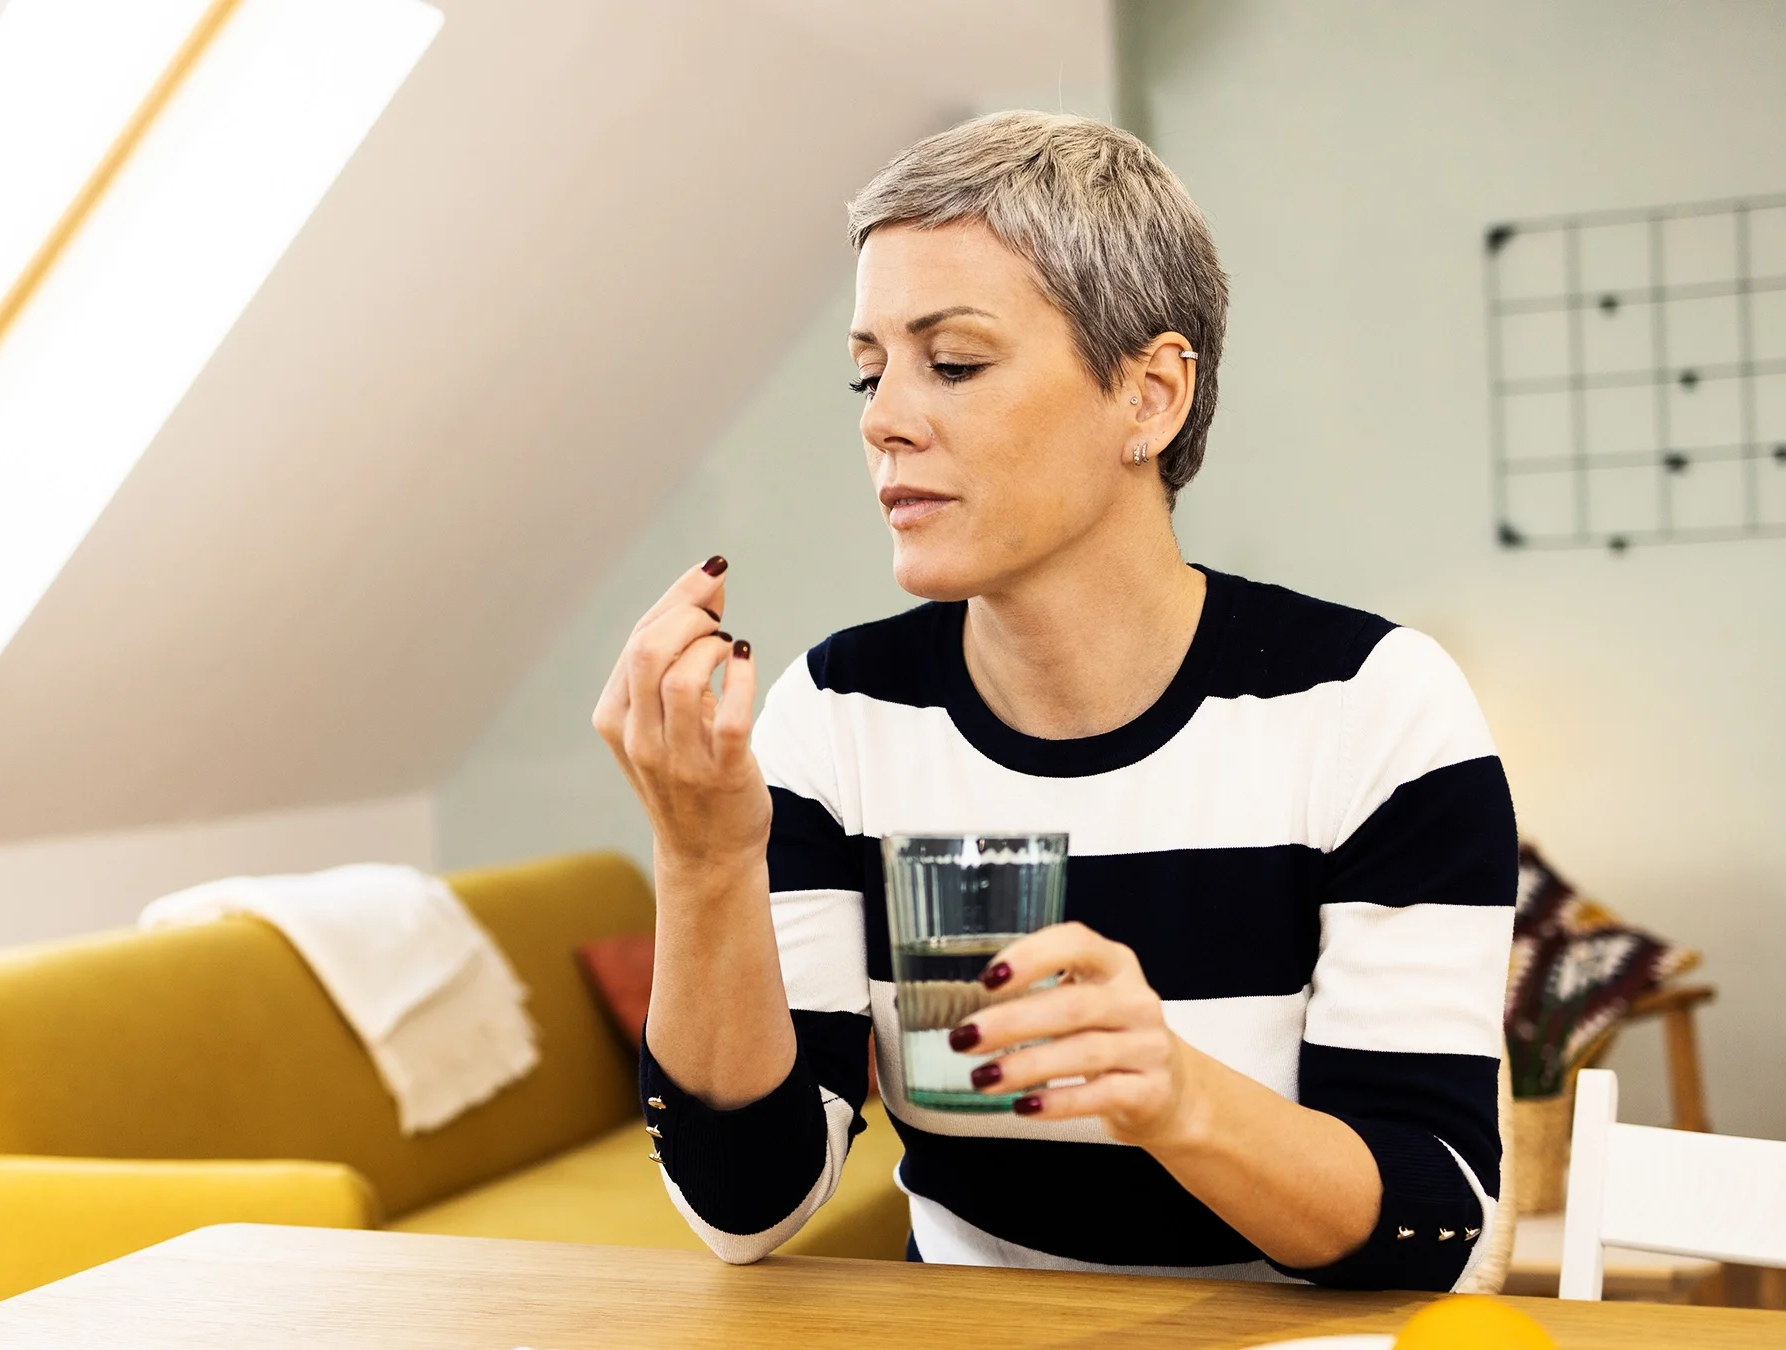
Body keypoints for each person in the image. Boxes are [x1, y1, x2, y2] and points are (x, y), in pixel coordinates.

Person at [591, 111, 1513, 1291]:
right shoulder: (840, 714)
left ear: (1149, 397)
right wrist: (703, 856)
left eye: (954, 363)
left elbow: (1440, 1219)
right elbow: (747, 1207)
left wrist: (1179, 1098)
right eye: (869, 371)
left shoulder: (1375, 710)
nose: (882, 417)